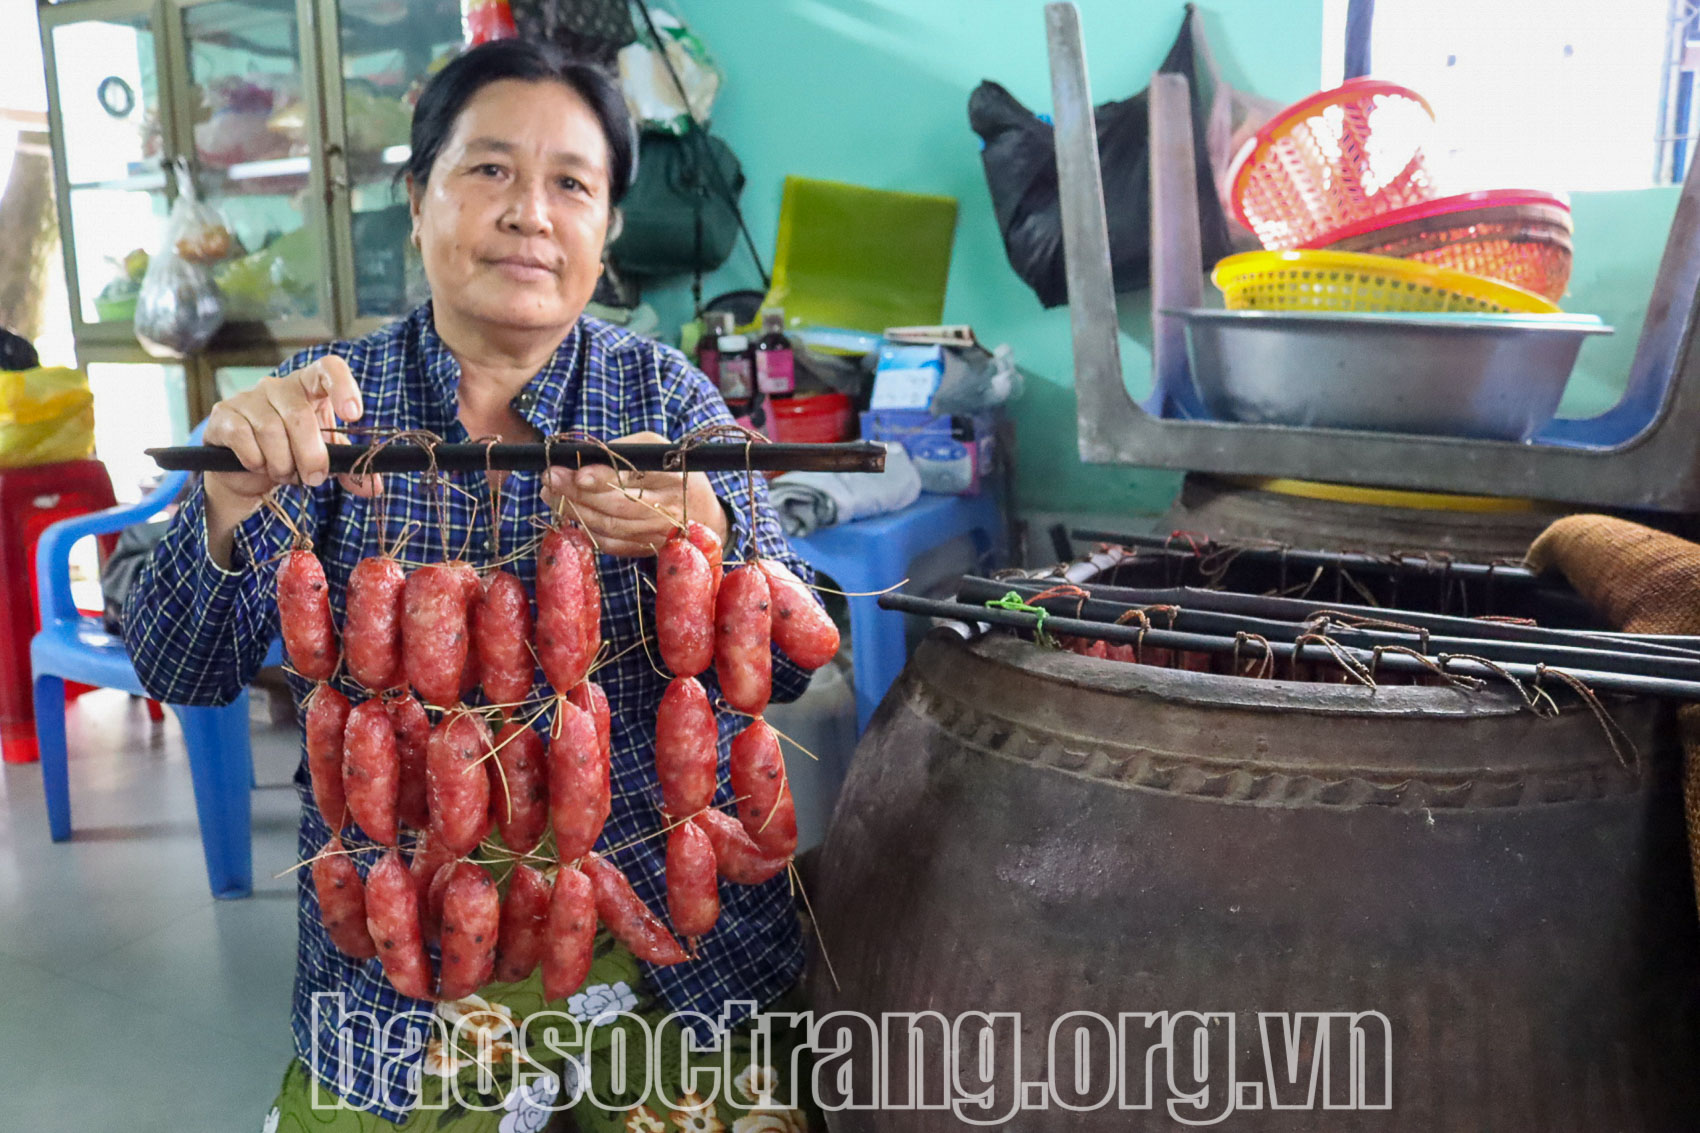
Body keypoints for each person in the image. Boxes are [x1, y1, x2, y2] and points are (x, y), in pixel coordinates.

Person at [124, 40, 822, 1133]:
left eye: (570, 184)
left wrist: (716, 531)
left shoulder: (670, 398)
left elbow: (786, 661)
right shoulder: (318, 411)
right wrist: (223, 504)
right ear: (417, 199)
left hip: (670, 944)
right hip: (399, 959)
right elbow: (181, 667)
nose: (529, 213)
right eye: (489, 170)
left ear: (606, 229)